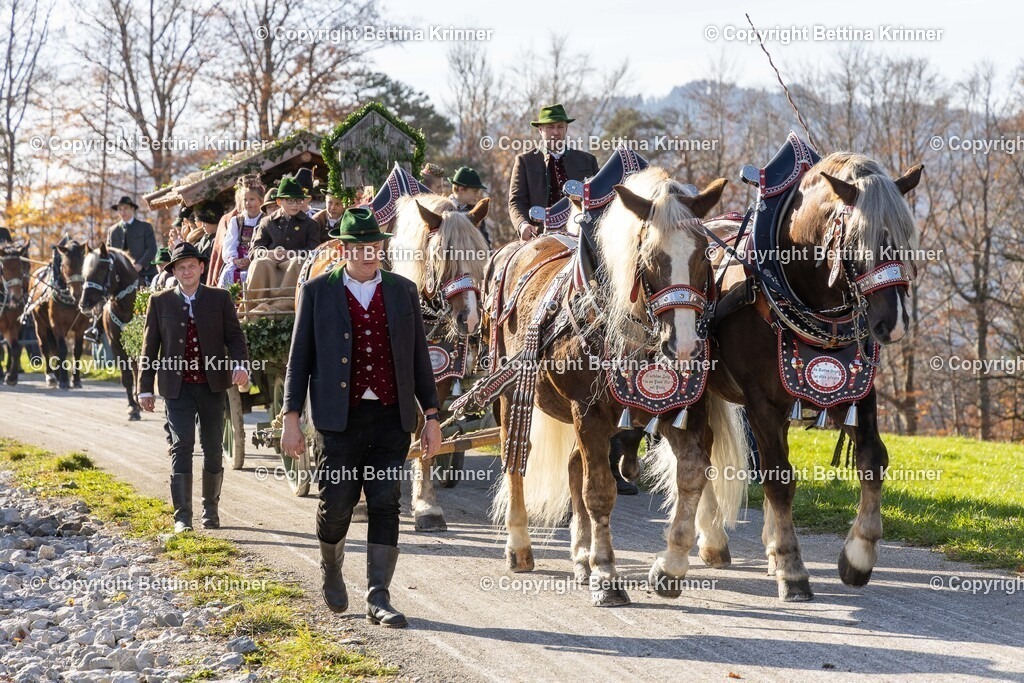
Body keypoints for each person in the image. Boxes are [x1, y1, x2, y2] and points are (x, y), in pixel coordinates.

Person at [280, 208, 442, 629]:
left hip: (391, 415)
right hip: (340, 418)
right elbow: (299, 361)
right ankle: (331, 567)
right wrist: (291, 417)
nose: (369, 254)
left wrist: (432, 415)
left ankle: (378, 596)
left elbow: (418, 359)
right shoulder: (318, 292)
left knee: (387, 501)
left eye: (375, 246)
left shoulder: (403, 291)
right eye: (360, 247)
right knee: (338, 504)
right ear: (343, 249)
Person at [138, 242, 250, 534]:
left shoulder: (220, 299)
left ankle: (210, 511)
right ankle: (182, 517)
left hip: (212, 385)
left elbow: (235, 338)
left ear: (201, 268)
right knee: (181, 445)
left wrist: (240, 364)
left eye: (191, 266)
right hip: (177, 388)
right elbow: (149, 348)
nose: (186, 271)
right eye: (180, 267)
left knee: (213, 448)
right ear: (174, 272)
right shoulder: (160, 302)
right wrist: (144, 388)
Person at [508, 103, 599, 240]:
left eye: (560, 127)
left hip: (582, 235)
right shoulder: (525, 161)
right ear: (540, 130)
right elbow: (516, 201)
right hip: (538, 236)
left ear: (566, 128)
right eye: (550, 127)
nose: (556, 132)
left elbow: (597, 196)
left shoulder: (587, 160)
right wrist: (522, 225)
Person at [246, 177, 322, 314]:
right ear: (279, 201)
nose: (295, 205)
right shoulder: (266, 222)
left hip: (294, 267)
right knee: (259, 263)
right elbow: (254, 251)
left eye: (298, 200)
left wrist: (291, 253)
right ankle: (255, 309)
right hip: (270, 266)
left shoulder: (311, 225)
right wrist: (267, 253)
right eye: (290, 200)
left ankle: (287, 306)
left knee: (297, 262)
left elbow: (314, 251)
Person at [219, 176, 265, 287]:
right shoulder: (237, 221)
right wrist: (235, 260)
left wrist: (251, 259)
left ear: (261, 200)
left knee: (252, 275)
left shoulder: (265, 220)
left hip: (257, 260)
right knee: (228, 273)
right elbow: (230, 243)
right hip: (238, 260)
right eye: (245, 200)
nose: (248, 203)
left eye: (252, 199)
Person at [107, 195, 158, 284]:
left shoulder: (145, 227)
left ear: (132, 209)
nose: (123, 212)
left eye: (126, 208)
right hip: (119, 276)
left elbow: (152, 249)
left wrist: (140, 265)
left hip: (144, 274)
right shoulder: (112, 231)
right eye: (120, 209)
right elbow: (108, 251)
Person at [448, 166, 491, 247]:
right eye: (475, 191)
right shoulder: (444, 210)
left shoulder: (476, 211)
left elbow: (485, 242)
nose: (477, 195)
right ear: (461, 189)